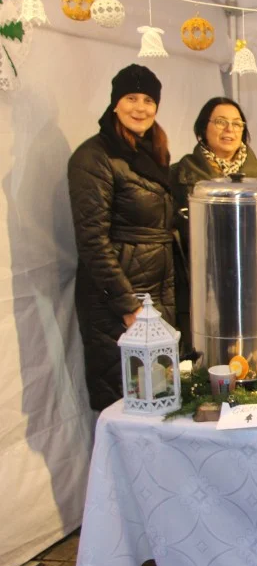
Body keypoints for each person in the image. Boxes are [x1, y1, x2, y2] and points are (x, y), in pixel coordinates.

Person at [68, 64, 175, 411]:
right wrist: (127, 306)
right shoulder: (93, 157)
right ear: (115, 102)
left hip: (155, 294)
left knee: (160, 397)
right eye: (131, 98)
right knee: (125, 402)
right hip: (116, 303)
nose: (140, 108)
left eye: (148, 100)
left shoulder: (152, 151)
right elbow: (92, 241)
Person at [170, 97, 257, 355]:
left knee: (250, 358)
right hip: (200, 287)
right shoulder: (180, 174)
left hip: (253, 291)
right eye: (220, 122)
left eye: (237, 124)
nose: (229, 130)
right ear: (202, 128)